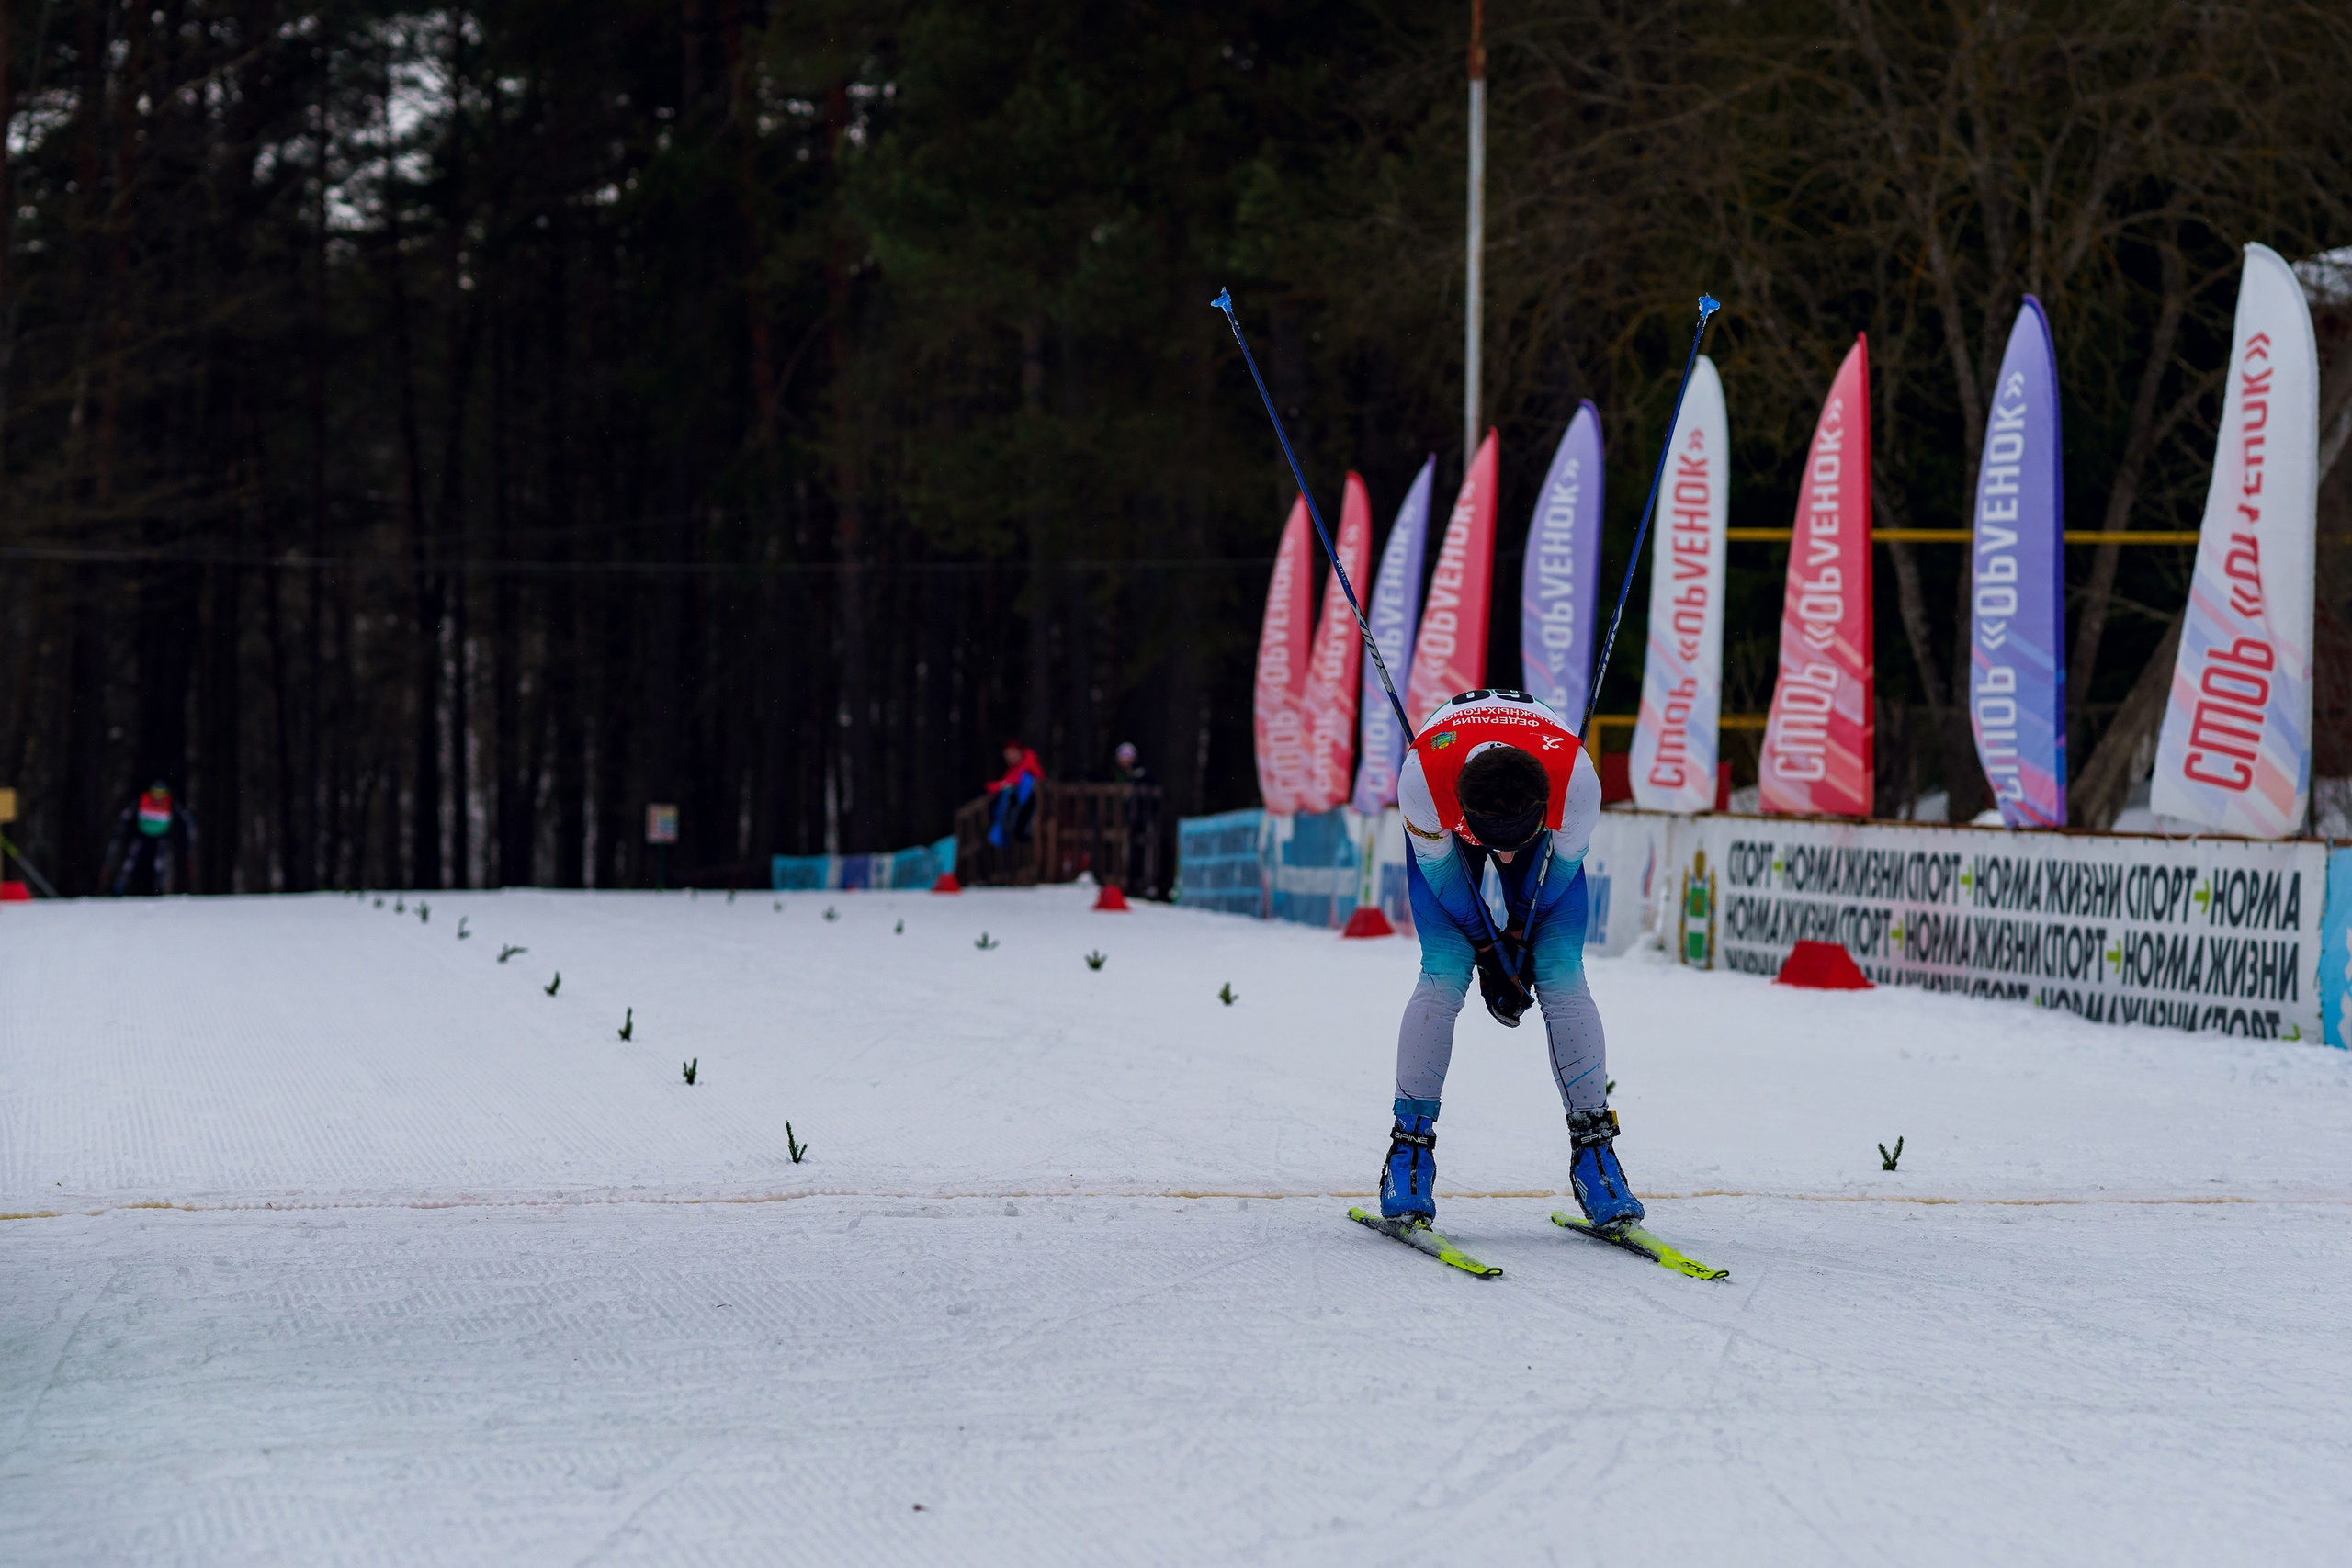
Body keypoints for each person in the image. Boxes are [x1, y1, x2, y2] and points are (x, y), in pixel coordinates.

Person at [1379, 688, 1643, 1233]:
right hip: (1449, 833)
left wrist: (1518, 938)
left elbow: (1559, 869)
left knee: (1561, 973)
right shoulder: (1423, 778)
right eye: (1492, 842)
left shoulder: (1577, 779)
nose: (1502, 855)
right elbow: (1444, 876)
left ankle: (1595, 1152)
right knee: (1445, 972)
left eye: (1513, 843)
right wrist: (1490, 952)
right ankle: (1409, 1149)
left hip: (1538, 833)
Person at [103, 780, 198, 896]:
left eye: (161, 793)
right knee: (130, 862)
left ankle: (160, 890)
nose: (158, 797)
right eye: (155, 792)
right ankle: (118, 888)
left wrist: (190, 826)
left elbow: (185, 816)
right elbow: (127, 814)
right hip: (142, 836)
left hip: (160, 837)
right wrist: (121, 827)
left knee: (159, 864)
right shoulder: (143, 800)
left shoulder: (170, 803)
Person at [1112, 741, 1159, 894]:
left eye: (1128, 757)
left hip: (1141, 818)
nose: (1125, 760)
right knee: (1125, 850)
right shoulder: (1118, 774)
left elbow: (1150, 787)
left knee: (1141, 850)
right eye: (1123, 757)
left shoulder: (1140, 773)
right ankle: (1128, 882)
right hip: (1124, 819)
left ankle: (1141, 883)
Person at [985, 740, 1043, 849]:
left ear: (1020, 752)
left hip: (1028, 814)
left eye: (1012, 753)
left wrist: (1003, 786)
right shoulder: (1015, 768)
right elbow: (1002, 784)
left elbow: (1016, 784)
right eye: (1007, 754)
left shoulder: (1029, 765)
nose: (1010, 757)